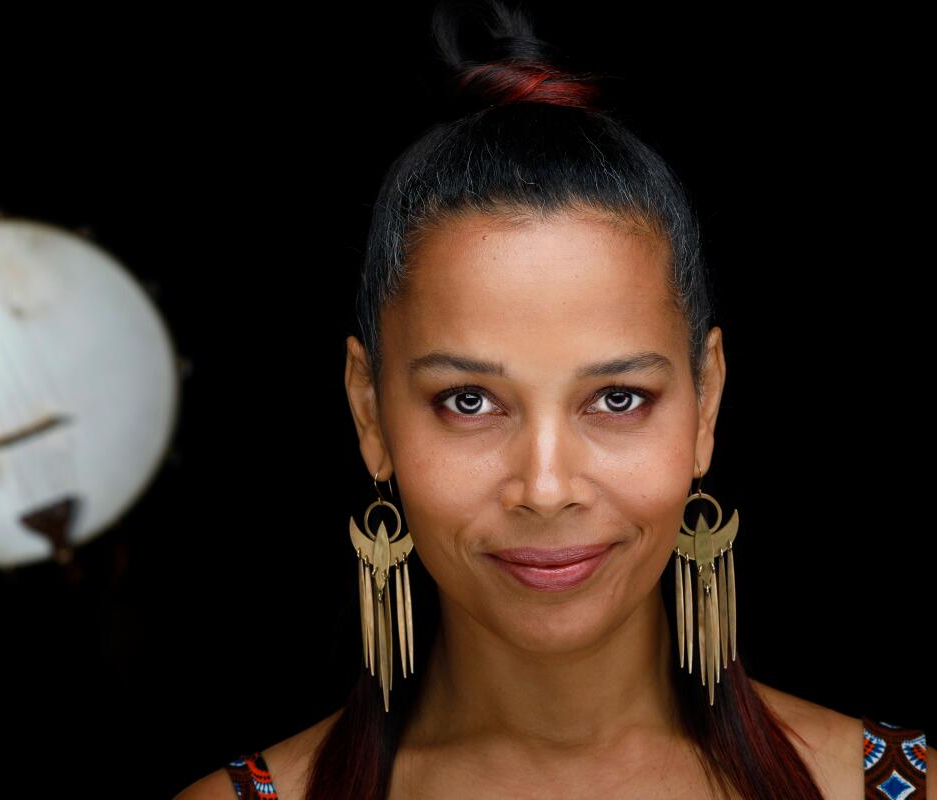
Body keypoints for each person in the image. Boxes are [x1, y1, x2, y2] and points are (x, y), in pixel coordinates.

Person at [176, 1, 927, 798]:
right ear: (370, 412)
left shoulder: (893, 786)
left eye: (617, 399)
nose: (545, 488)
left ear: (706, 403)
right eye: (469, 401)